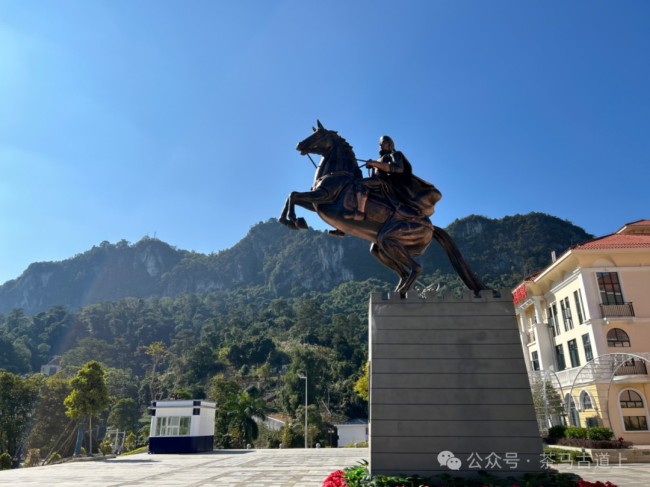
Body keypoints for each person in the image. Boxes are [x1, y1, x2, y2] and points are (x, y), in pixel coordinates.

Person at [345, 135, 439, 221]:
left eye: (383, 142)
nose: (380, 145)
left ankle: (359, 213)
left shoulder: (395, 154)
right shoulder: (380, 159)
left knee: (360, 183)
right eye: (380, 143)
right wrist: (373, 165)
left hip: (385, 183)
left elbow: (398, 168)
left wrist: (374, 164)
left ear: (389, 145)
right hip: (377, 182)